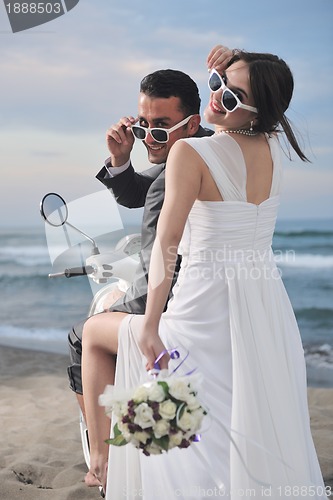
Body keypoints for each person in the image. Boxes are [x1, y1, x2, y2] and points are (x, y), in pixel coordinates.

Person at [82, 48, 328, 499]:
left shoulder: (191, 153)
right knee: (237, 412)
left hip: (199, 307)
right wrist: (232, 64)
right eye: (216, 85)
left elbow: (166, 247)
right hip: (264, 311)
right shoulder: (274, 146)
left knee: (96, 329)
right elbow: (255, 104)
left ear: (256, 110)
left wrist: (152, 324)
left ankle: (101, 460)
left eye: (231, 98)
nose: (216, 99)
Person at [68, 46, 233, 488]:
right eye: (143, 127)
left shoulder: (185, 163)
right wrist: (121, 159)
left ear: (193, 122)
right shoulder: (212, 152)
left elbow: (169, 253)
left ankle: (101, 457)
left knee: (82, 335)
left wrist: (136, 302)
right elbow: (142, 191)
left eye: (160, 128)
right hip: (210, 298)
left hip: (169, 299)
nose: (149, 139)